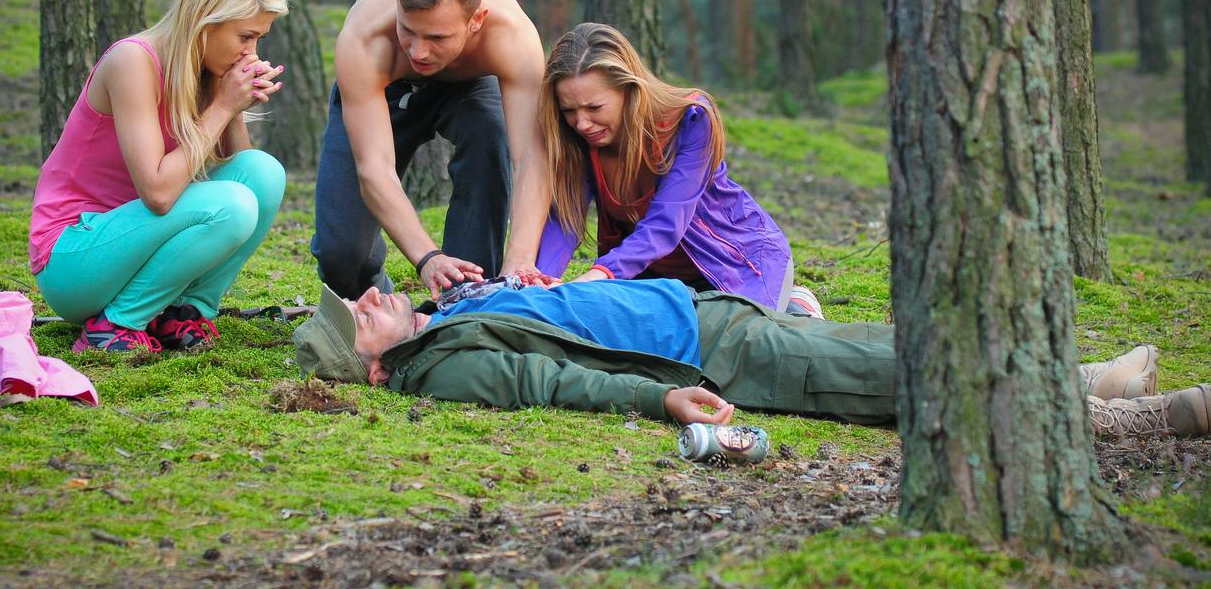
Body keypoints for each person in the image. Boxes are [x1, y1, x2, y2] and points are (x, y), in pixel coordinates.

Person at [293, 280, 1211, 439]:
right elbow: (551, 381)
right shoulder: (440, 366)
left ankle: (1087, 374)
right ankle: (1142, 417)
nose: (370, 299)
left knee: (898, 345)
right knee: (900, 376)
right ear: (374, 369)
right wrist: (660, 405)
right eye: (360, 319)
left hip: (712, 318)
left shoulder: (452, 314)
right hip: (720, 359)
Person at [29, 0, 288, 353]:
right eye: (244, 37)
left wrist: (231, 105)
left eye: (258, 39)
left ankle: (184, 313)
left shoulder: (205, 70)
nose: (251, 52)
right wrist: (222, 106)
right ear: (206, 22)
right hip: (73, 258)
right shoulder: (133, 61)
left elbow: (238, 168)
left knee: (263, 173)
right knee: (231, 204)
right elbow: (158, 192)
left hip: (133, 247)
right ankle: (115, 325)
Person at [312, 0, 548, 301]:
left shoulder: (512, 37)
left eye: (437, 37)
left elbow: (532, 158)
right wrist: (428, 258)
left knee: (491, 131)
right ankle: (384, 306)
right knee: (342, 257)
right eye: (407, 30)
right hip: (384, 86)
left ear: (476, 21)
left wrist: (520, 260)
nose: (418, 51)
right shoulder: (365, 38)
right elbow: (374, 169)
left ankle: (468, 296)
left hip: (469, 85)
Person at [534, 23, 800, 310]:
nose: (582, 123)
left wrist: (599, 274)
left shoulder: (691, 120)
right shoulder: (579, 140)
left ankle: (799, 306)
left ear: (629, 89)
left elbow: (665, 224)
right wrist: (540, 279)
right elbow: (565, 217)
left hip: (737, 266)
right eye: (569, 111)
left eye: (594, 108)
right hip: (652, 278)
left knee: (727, 340)